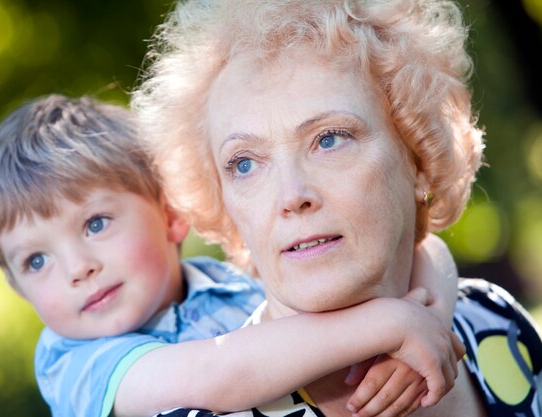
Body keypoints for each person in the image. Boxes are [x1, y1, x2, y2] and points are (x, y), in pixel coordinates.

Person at [131, 0, 542, 416]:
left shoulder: (496, 326)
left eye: (329, 139)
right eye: (244, 164)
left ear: (416, 158)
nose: (291, 196)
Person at [0, 94, 463, 417]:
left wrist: (429, 326)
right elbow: (219, 375)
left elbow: (426, 249)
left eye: (95, 224)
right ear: (17, 286)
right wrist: (386, 323)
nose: (78, 269)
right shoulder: (77, 363)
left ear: (171, 216)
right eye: (36, 261)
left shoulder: (224, 283)